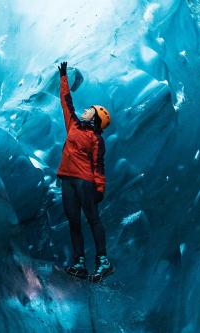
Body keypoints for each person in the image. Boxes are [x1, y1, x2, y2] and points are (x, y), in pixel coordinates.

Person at [56, 61, 114, 282]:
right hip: (68, 180)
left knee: (92, 219)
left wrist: (99, 188)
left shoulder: (96, 139)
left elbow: (99, 165)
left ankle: (103, 262)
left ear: (96, 118)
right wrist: (63, 77)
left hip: (85, 182)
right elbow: (66, 101)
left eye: (91, 110)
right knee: (73, 221)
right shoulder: (73, 124)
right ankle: (79, 263)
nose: (87, 109)